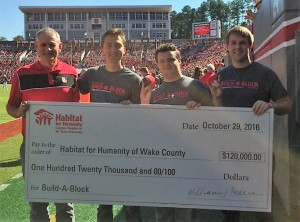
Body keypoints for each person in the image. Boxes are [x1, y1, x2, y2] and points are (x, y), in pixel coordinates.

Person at [209, 26, 292, 222]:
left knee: (262, 205)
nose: (237, 47)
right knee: (229, 206)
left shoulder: (264, 73)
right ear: (227, 47)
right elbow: (217, 114)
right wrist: (217, 99)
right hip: (228, 149)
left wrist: (270, 105)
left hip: (259, 150)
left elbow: (287, 103)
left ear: (250, 46)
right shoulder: (222, 76)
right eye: (233, 43)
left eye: (242, 43)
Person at [140, 43, 220, 222]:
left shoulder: (196, 86)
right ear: (157, 65)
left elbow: (215, 119)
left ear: (180, 61)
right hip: (162, 159)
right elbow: (148, 127)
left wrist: (200, 112)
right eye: (162, 61)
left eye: (171, 59)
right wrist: (144, 106)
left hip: (190, 159)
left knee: (188, 213)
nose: (167, 64)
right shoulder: (154, 94)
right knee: (162, 213)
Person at [6, 27, 78, 222]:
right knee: (37, 203)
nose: (48, 49)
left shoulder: (72, 74)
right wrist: (18, 111)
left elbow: (80, 110)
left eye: (52, 44)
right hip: (33, 146)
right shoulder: (21, 74)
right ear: (36, 47)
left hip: (65, 148)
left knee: (65, 202)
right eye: (43, 45)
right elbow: (10, 106)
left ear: (60, 47)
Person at [78, 28, 142, 222]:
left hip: (126, 148)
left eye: (118, 45)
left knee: (130, 201)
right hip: (100, 146)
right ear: (102, 49)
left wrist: (133, 108)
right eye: (109, 45)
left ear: (125, 49)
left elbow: (143, 117)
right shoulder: (90, 75)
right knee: (104, 202)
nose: (113, 49)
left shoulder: (133, 80)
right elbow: (68, 93)